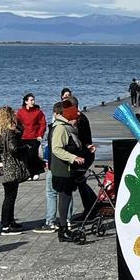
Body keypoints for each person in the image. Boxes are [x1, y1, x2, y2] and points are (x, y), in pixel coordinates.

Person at [49, 100, 87, 243]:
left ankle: (64, 228)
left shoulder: (65, 127)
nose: (77, 122)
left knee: (66, 196)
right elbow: (56, 149)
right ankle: (63, 229)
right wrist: (73, 158)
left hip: (67, 168)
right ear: (70, 118)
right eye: (76, 119)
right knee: (64, 197)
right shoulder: (61, 128)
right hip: (62, 169)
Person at [0, 106, 30, 235]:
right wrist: (25, 147)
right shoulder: (10, 131)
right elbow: (13, 148)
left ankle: (10, 221)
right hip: (8, 166)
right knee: (10, 196)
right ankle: (6, 225)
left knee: (8, 194)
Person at [67, 95, 99, 224]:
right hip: (84, 153)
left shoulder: (80, 119)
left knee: (80, 181)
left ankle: (90, 209)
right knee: (81, 182)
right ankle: (92, 206)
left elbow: (80, 139)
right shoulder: (78, 118)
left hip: (84, 154)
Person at [15, 93, 47, 177]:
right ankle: (28, 173)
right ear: (26, 101)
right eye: (31, 100)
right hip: (23, 137)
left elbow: (43, 124)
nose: (33, 102)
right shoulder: (20, 112)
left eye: (33, 100)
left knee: (33, 154)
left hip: (35, 137)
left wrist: (40, 134)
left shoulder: (38, 112)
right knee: (26, 155)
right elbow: (16, 123)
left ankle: (36, 172)